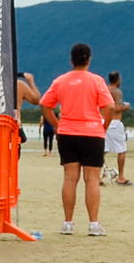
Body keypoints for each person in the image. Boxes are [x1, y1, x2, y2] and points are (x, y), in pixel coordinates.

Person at [39, 44, 109, 236]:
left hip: (68, 132)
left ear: (72, 60)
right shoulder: (96, 81)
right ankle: (94, 224)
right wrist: (104, 126)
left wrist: (56, 125)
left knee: (70, 178)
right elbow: (109, 106)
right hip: (92, 132)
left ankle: (68, 223)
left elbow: (45, 105)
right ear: (89, 59)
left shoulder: (61, 81)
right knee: (92, 179)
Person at [103, 71, 132, 185]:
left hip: (102, 121)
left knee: (103, 150)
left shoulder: (103, 90)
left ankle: (98, 175)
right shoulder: (116, 92)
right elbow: (116, 108)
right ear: (118, 80)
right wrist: (126, 107)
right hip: (114, 122)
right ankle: (121, 177)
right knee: (121, 150)